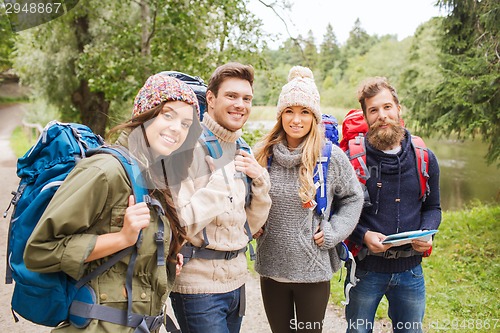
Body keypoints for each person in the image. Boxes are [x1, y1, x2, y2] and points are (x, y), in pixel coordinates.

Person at [23, 73, 204, 332]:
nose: (177, 128)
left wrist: (161, 256)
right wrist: (122, 238)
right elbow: (40, 251)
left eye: (186, 124)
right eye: (168, 115)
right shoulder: (105, 170)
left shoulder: (153, 176)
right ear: (145, 113)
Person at [252, 66, 364, 333]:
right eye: (289, 111)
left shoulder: (331, 157)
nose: (296, 119)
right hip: (271, 267)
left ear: (314, 116)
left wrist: (333, 231)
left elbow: (352, 198)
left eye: (304, 112)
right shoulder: (263, 155)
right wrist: (251, 224)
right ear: (280, 115)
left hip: (313, 270)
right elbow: (247, 198)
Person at [169, 62, 272, 333]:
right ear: (211, 99)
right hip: (198, 287)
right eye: (231, 96)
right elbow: (179, 224)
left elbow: (248, 225)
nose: (240, 104)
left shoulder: (242, 149)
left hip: (236, 281)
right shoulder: (186, 147)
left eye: (246, 98)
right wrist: (222, 184)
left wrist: (260, 182)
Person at [344, 77, 441, 333]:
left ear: (399, 109)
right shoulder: (351, 160)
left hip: (411, 271)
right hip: (366, 269)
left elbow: (433, 207)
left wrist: (428, 233)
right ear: (365, 116)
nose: (382, 115)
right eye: (373, 110)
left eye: (387, 107)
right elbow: (339, 211)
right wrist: (362, 235)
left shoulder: (424, 157)